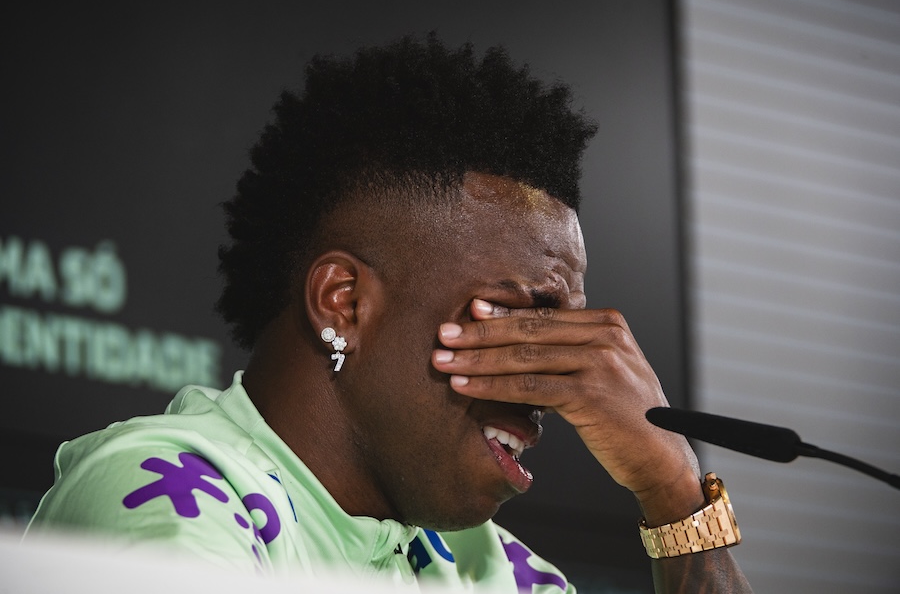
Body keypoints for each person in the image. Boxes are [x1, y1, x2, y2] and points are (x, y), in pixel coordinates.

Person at [26, 34, 751, 592]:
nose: (563, 383)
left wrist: (675, 496)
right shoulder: (164, 493)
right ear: (344, 303)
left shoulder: (497, 570)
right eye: (519, 316)